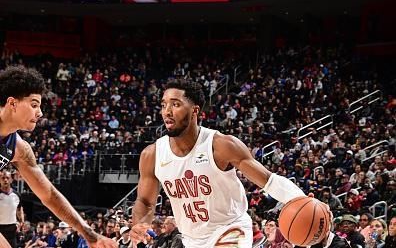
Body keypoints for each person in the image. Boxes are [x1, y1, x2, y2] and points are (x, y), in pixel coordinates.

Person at [130, 79, 314, 248]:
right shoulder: (152, 154)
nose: (167, 112)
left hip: (231, 229)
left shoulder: (221, 145)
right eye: (164, 105)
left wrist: (303, 199)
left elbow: (269, 180)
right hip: (191, 239)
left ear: (195, 110)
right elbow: (145, 202)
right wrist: (140, 224)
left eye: (175, 104)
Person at [0, 65, 116, 248]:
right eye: (34, 105)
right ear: (12, 103)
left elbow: (49, 195)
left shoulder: (19, 148)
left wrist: (90, 234)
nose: (40, 113)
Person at [0, 170, 24, 248]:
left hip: (12, 228)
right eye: (3, 178)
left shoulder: (17, 195)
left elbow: (19, 209)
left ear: (11, 179)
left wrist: (21, 221)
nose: (5, 180)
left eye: (7, 178)